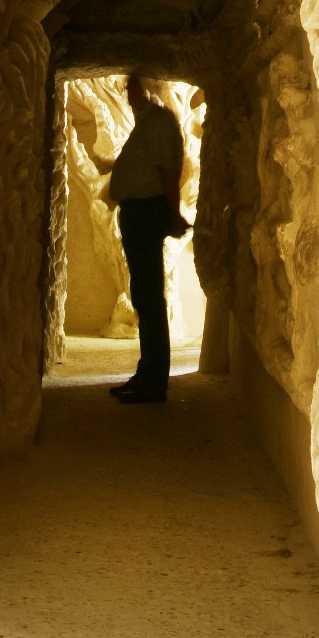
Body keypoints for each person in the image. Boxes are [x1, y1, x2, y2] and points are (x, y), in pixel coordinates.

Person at [102, 76, 187, 404]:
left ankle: (153, 381)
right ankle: (147, 374)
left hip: (147, 213)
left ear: (148, 88)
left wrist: (173, 213)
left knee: (149, 296)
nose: (128, 95)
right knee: (144, 294)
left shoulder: (158, 121)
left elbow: (168, 171)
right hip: (141, 213)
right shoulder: (150, 122)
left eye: (132, 87)